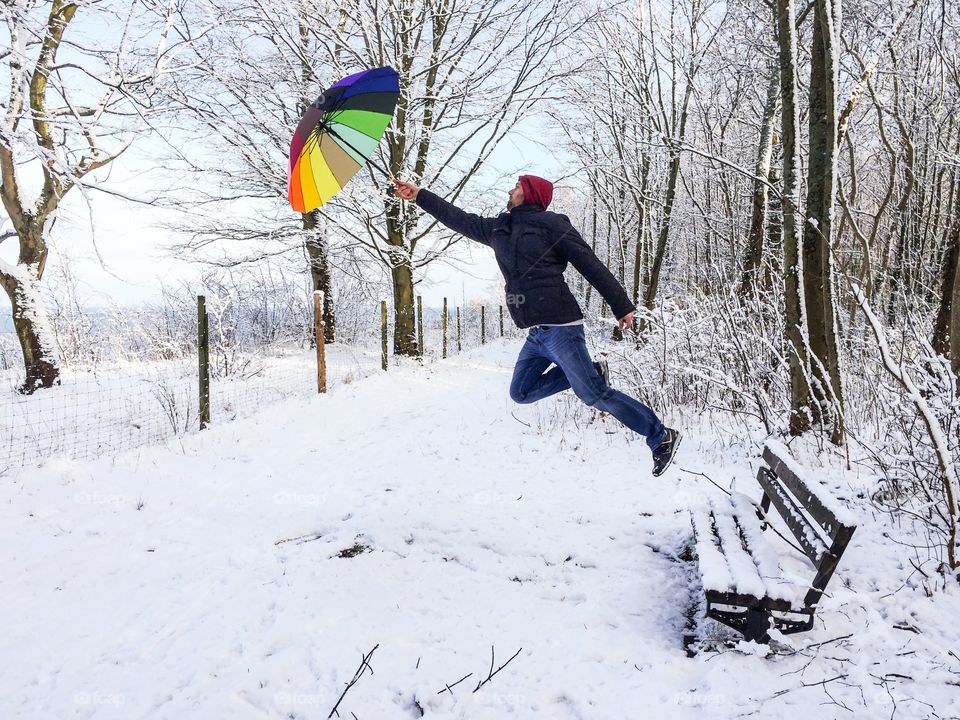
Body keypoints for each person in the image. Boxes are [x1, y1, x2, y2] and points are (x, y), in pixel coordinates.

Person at [391, 174, 681, 476]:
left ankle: (660, 436)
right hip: (536, 334)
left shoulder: (553, 225)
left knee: (594, 395)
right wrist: (419, 195)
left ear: (529, 194)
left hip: (563, 327)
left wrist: (621, 305)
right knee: (521, 392)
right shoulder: (499, 228)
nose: (509, 190)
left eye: (516, 187)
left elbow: (590, 263)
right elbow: (459, 219)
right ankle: (592, 372)